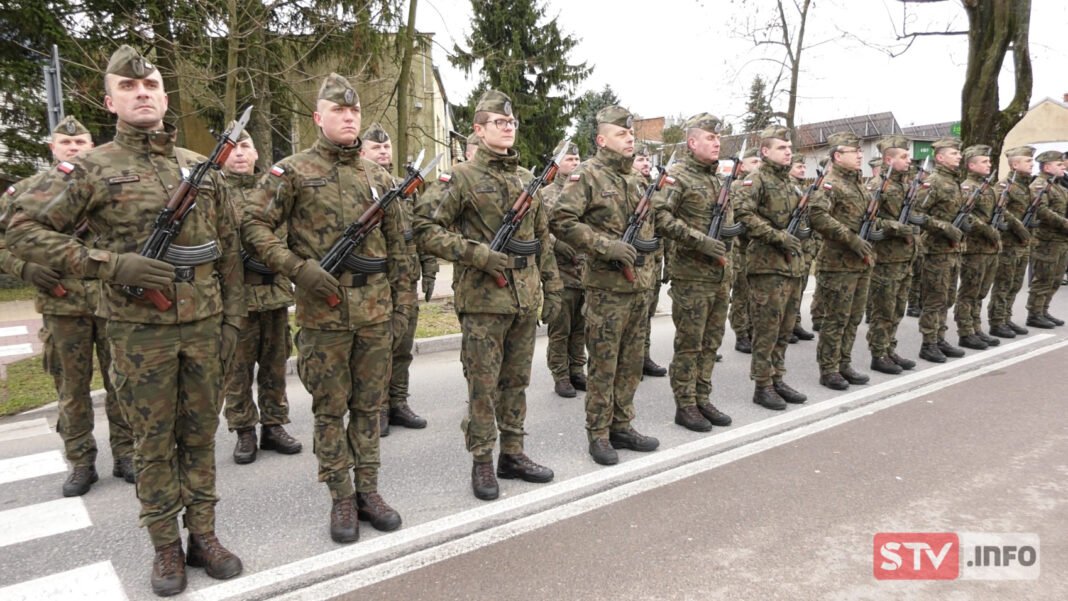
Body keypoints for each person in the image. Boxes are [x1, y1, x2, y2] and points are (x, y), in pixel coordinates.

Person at [7, 45, 244, 596]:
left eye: (151, 85)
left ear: (165, 96)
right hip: (139, 334)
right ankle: (165, 547)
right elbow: (20, 229)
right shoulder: (92, 167)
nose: (142, 94)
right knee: (153, 443)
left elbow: (229, 248)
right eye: (129, 87)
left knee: (200, 437)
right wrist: (108, 265)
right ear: (110, 101)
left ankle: (204, 535)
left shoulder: (199, 165)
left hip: (206, 328)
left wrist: (233, 321)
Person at [243, 73, 411, 543]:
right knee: (330, 410)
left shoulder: (379, 177)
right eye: (339, 110)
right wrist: (297, 269)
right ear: (319, 117)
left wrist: (402, 305)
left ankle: (369, 490)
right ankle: (341, 495)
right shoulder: (293, 172)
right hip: (324, 314)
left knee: (369, 406)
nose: (348, 117)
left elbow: (400, 247)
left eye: (354, 111)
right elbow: (253, 225)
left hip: (375, 312)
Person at [414, 90, 560, 499]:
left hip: (524, 298)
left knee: (516, 382)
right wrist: (476, 254)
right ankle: (481, 461)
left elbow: (542, 239)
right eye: (499, 122)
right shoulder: (460, 177)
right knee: (482, 385)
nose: (508, 127)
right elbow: (424, 229)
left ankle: (512, 453)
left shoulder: (527, 179)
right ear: (479, 131)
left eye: (511, 122)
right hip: (483, 301)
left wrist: (552, 287)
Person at [0, 116, 135, 495]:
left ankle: (126, 454)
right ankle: (81, 462)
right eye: (66, 143)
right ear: (53, 148)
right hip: (61, 306)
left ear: (91, 147)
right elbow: (5, 240)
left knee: (121, 383)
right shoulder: (28, 191)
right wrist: (25, 268)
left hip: (112, 301)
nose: (73, 149)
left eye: (80, 143)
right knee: (71, 389)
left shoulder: (112, 186)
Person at [552, 105, 661, 465]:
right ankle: (598, 433)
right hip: (607, 289)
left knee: (631, 364)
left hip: (640, 286)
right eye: (621, 133)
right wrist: (604, 246)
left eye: (630, 133)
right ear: (601, 140)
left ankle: (622, 425)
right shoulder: (587, 175)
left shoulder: (637, 179)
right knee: (604, 365)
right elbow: (560, 219)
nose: (629, 138)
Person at [220, 123, 302, 465]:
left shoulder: (274, 188)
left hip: (274, 292)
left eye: (245, 147)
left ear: (255, 153)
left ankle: (273, 425)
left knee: (274, 365)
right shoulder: (214, 190)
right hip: (236, 298)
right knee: (237, 370)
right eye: (232, 148)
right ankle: (244, 430)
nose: (239, 153)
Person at [651, 113, 732, 432]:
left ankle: (702, 397)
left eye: (718, 138)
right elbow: (659, 216)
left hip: (719, 275)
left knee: (711, 342)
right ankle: (685, 405)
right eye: (710, 138)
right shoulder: (677, 177)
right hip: (691, 277)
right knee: (690, 344)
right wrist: (700, 241)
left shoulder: (717, 179)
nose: (717, 143)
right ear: (692, 142)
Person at [810, 132, 909, 389]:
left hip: (861, 262)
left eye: (859, 151)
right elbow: (818, 216)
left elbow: (868, 219)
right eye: (854, 151)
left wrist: (889, 227)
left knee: (853, 318)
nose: (859, 155)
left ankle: (844, 363)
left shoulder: (858, 185)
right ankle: (828, 369)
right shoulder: (830, 184)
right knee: (836, 320)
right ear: (837, 156)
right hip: (838, 264)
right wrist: (851, 239)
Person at [359, 122, 433, 434]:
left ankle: (398, 402)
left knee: (403, 345)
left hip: (406, 281)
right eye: (376, 147)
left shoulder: (405, 188)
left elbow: (421, 231)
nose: (383, 152)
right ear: (362, 152)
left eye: (386, 147)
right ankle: (377, 406)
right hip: (374, 283)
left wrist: (429, 268)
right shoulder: (359, 187)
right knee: (378, 348)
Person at [734, 125, 809, 410]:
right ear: (765, 151)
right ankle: (762, 385)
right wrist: (777, 236)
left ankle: (777, 378)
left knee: (785, 329)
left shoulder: (790, 183)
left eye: (789, 147)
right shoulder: (756, 180)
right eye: (781, 147)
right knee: (766, 330)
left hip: (792, 265)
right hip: (767, 267)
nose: (788, 152)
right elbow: (742, 213)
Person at [866, 135, 920, 374]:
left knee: (898, 308)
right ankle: (878, 354)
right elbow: (869, 220)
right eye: (904, 156)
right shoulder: (878, 186)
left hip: (905, 257)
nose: (909, 160)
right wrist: (897, 227)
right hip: (886, 259)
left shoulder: (905, 186)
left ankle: (889, 348)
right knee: (884, 310)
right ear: (888, 160)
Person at [913, 137, 967, 363]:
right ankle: (928, 343)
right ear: (940, 158)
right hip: (935, 250)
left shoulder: (954, 181)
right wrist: (944, 227)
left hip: (952, 250)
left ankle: (940, 337)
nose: (959, 156)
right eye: (954, 153)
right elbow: (916, 213)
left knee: (947, 298)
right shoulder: (933, 182)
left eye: (959, 153)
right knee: (934, 298)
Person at [540, 139, 586, 398]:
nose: (575, 163)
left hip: (585, 271)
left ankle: (577, 370)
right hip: (560, 272)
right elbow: (537, 231)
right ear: (557, 163)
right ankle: (560, 375)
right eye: (569, 159)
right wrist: (558, 244)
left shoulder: (584, 190)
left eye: (577, 159)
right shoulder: (546, 194)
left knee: (580, 327)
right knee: (560, 328)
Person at [953, 145, 1003, 349]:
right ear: (971, 165)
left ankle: (976, 328)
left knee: (981, 292)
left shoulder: (987, 186)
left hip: (990, 248)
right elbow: (966, 216)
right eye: (984, 161)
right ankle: (965, 332)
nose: (989, 164)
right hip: (975, 248)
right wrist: (988, 230)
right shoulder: (967, 187)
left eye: (989, 161)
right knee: (969, 292)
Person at [987, 146, 1035, 338]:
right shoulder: (1004, 186)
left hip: (1023, 242)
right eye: (1028, 161)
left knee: (1015, 284)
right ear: (1015, 165)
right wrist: (1017, 226)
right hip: (1008, 242)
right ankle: (997, 321)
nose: (1032, 164)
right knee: (1004, 283)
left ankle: (1006, 317)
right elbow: (999, 210)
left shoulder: (1026, 186)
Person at [633, 142, 668, 377]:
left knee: (647, 314)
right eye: (640, 159)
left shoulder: (655, 189)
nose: (646, 163)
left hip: (653, 262)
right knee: (634, 316)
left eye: (647, 160)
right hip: (634, 262)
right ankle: (632, 360)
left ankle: (644, 357)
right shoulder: (630, 188)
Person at [1024, 150, 1068, 328]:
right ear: (1047, 167)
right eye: (1059, 164)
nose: (1063, 167)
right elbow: (1041, 210)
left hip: (1060, 239)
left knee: (1056, 279)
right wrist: (1065, 224)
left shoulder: (1057, 186)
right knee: (1043, 278)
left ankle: (1043, 310)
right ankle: (1034, 314)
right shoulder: (1040, 185)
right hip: (1046, 240)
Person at [729, 146, 762, 353]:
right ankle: (740, 333)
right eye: (753, 162)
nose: (758, 166)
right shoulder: (736, 186)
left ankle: (751, 329)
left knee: (754, 294)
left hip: (756, 248)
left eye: (759, 162)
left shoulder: (759, 184)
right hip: (741, 248)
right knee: (741, 294)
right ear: (742, 166)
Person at [789, 154, 816, 342]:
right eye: (799, 166)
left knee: (800, 287)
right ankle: (787, 325)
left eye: (803, 167)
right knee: (790, 290)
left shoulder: (803, 188)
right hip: (793, 245)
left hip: (805, 247)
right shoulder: (789, 187)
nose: (803, 169)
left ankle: (795, 323)